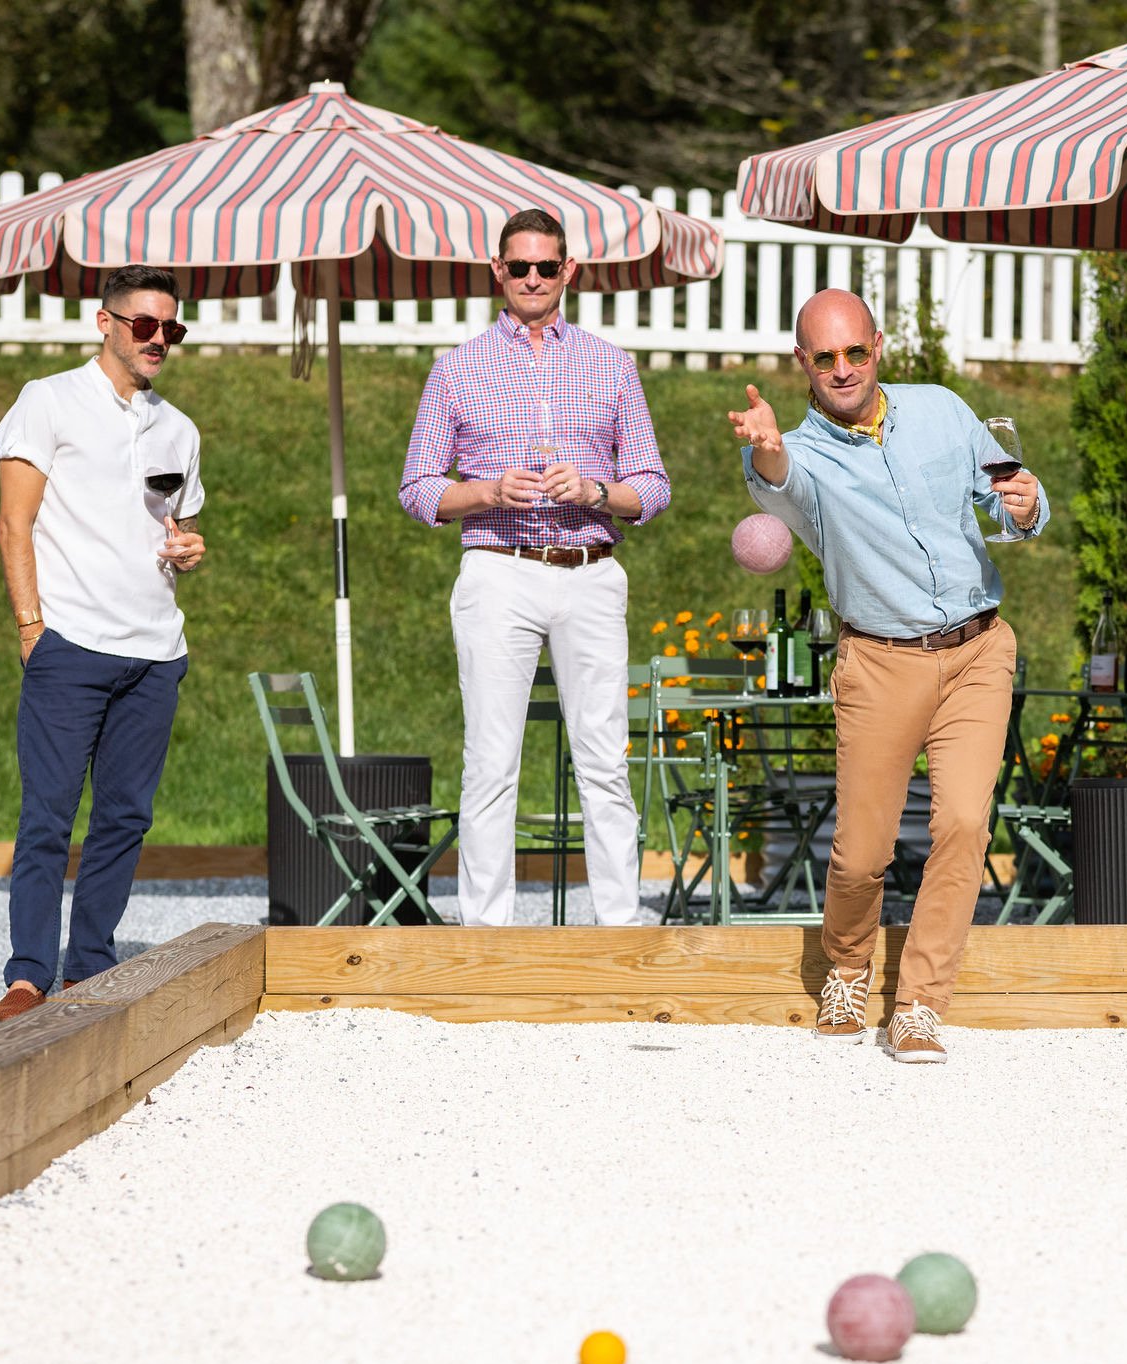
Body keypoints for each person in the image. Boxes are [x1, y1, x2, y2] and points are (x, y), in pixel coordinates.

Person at [729, 288, 1046, 1063]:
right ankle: (845, 968)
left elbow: (1003, 501)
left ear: (878, 345)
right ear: (802, 362)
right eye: (824, 357)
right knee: (863, 850)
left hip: (978, 649)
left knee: (966, 824)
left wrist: (1027, 506)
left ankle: (920, 1004)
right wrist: (767, 445)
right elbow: (779, 482)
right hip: (879, 662)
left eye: (855, 352)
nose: (843, 369)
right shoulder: (796, 453)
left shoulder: (942, 409)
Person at [400, 209, 669, 928]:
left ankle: (619, 924)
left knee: (605, 757)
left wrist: (597, 491)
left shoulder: (612, 365)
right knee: (491, 758)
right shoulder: (456, 368)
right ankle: (486, 931)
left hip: (591, 565)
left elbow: (654, 485)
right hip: (498, 567)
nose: (531, 280)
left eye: (544, 268)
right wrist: (486, 491)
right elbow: (418, 486)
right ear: (498, 271)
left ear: (568, 272)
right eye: (517, 267)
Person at [0, 265, 208, 1022]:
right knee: (47, 814)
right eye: (144, 324)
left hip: (155, 650)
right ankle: (27, 975)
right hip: (70, 643)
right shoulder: (47, 401)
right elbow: (14, 522)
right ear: (104, 322)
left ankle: (89, 966)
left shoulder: (177, 427)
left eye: (170, 328)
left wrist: (183, 549)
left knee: (124, 816)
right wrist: (31, 629)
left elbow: (168, 525)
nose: (158, 339)